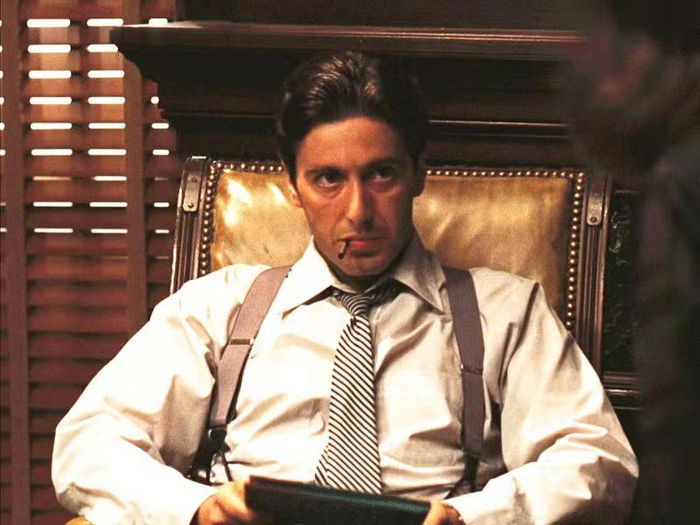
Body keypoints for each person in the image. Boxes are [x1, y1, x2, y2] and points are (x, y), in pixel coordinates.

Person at [52, 51, 637, 525]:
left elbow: (598, 462)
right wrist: (196, 508)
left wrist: (472, 518)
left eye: (381, 174)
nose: (358, 211)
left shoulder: (506, 313)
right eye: (328, 179)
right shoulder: (216, 309)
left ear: (418, 173)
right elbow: (88, 444)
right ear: (292, 185)